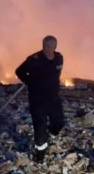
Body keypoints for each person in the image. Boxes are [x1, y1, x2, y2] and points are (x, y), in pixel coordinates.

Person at [15, 35, 64, 163]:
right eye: (46, 46)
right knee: (40, 126)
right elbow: (19, 71)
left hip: (53, 98)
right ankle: (40, 155)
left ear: (55, 47)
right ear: (42, 45)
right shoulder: (34, 59)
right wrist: (30, 82)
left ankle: (52, 132)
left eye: (50, 46)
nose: (48, 49)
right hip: (38, 100)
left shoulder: (59, 58)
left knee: (59, 122)